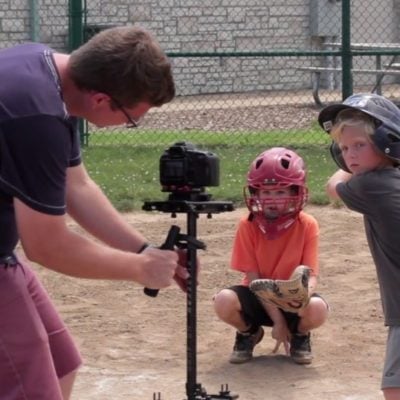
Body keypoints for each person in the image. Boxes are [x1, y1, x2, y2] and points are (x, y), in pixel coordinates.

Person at [0, 26, 188, 399]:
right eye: (133, 118)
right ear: (102, 99)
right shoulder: (35, 116)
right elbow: (47, 246)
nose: (131, 126)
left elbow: (78, 187)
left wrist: (143, 250)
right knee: (28, 388)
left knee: (59, 363)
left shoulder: (51, 78)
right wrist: (139, 270)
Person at [213, 147, 329, 365]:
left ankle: (299, 335)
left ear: (295, 193)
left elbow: (311, 275)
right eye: (266, 192)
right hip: (257, 296)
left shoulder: (307, 224)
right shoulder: (248, 224)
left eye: (280, 192)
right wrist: (278, 321)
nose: (272, 200)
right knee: (223, 301)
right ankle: (249, 333)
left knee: (317, 309)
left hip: (291, 296)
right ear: (255, 193)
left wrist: (301, 297)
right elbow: (254, 279)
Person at [320, 93, 400, 400]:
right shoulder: (392, 177)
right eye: (343, 149)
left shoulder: (370, 185)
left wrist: (345, 166)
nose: (349, 155)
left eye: (359, 146)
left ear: (386, 142)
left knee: (394, 390)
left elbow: (332, 188)